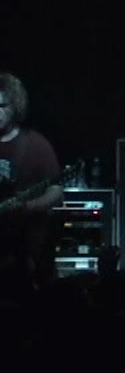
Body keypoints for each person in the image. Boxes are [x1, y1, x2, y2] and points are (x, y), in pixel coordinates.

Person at [0, 72, 63, 285]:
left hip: (27, 251)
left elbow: (56, 192)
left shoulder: (35, 144)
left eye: (2, 106)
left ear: (15, 106)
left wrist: (27, 207)